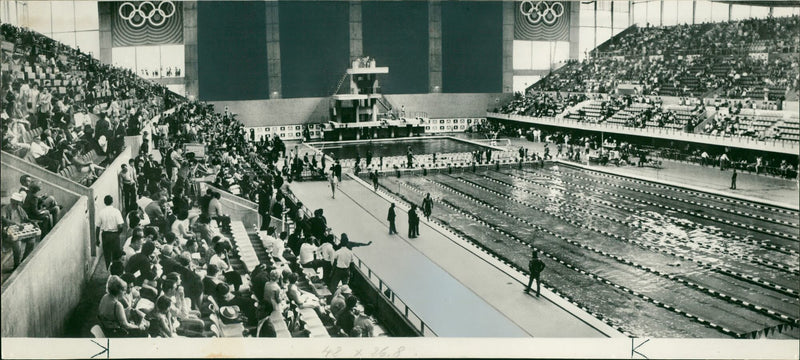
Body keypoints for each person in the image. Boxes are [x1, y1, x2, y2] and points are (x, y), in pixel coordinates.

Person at [1, 192, 36, 268]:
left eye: (18, 203)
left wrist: (32, 222)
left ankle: (24, 261)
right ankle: (16, 265)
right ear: (11, 200)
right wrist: (15, 223)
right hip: (8, 232)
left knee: (32, 241)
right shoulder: (5, 208)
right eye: (15, 203)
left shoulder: (19, 208)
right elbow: (3, 219)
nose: (16, 205)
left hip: (19, 230)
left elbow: (26, 218)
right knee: (17, 243)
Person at [97, 195, 125, 270]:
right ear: (112, 202)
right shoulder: (116, 211)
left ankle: (109, 271)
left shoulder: (101, 212)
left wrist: (97, 239)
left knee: (107, 255)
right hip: (114, 234)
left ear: (104, 202)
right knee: (116, 255)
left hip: (105, 235)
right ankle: (116, 271)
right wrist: (117, 234)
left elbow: (98, 226)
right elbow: (121, 226)